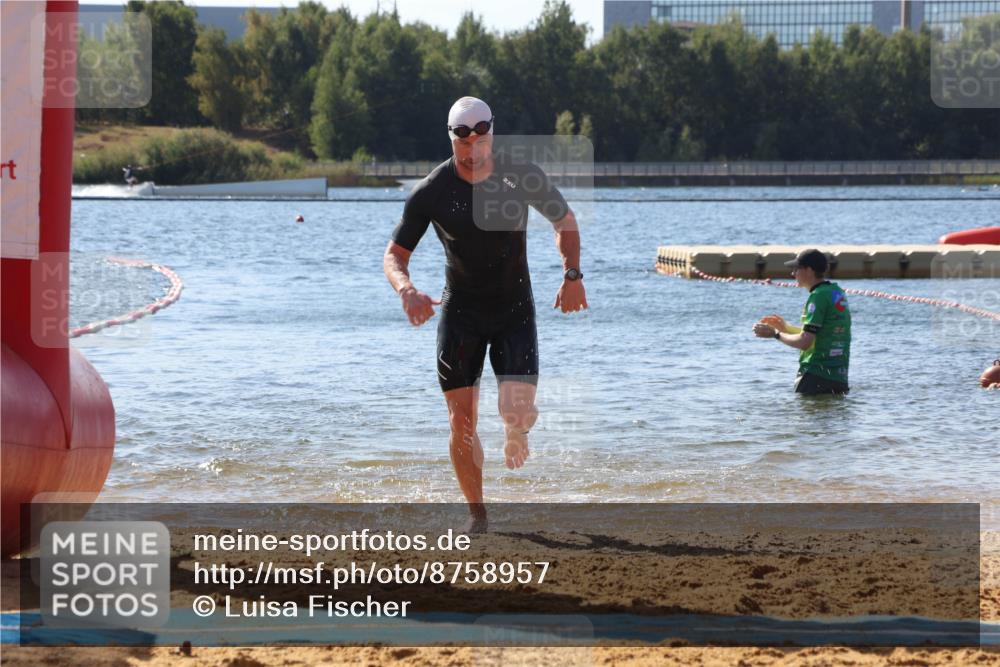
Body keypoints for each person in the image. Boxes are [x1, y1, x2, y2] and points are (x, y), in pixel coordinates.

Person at [383, 96, 588, 531]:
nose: (473, 149)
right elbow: (395, 254)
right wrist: (406, 290)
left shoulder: (521, 175)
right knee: (461, 422)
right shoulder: (432, 192)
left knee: (517, 412)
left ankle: (516, 432)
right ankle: (477, 515)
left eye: (481, 137)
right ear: (452, 139)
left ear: (492, 134)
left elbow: (564, 221)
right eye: (464, 140)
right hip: (462, 312)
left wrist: (572, 275)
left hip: (514, 308)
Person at [752, 249, 851, 395]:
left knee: (806, 417)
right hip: (838, 377)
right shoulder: (836, 292)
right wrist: (786, 328)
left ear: (809, 270)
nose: (792, 274)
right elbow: (820, 334)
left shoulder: (818, 296)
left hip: (816, 375)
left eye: (796, 269)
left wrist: (776, 334)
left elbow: (805, 342)